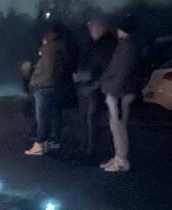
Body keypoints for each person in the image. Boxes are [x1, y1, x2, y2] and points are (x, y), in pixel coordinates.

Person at [100, 15, 141, 174]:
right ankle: (118, 157)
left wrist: (112, 92)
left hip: (119, 92)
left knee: (118, 126)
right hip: (120, 91)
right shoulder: (126, 45)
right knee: (116, 125)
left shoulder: (127, 47)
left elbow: (121, 72)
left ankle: (121, 160)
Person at [24, 23, 69, 156]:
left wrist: (36, 83)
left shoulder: (49, 48)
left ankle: (40, 144)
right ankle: (46, 142)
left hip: (44, 88)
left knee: (42, 117)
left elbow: (48, 72)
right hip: (53, 87)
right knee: (49, 116)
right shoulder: (59, 47)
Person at [79, 18, 117, 161]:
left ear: (100, 28)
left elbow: (106, 66)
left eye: (93, 27)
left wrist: (96, 82)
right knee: (88, 118)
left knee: (92, 118)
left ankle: (92, 149)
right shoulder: (95, 44)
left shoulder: (105, 44)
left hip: (96, 87)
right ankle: (87, 145)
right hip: (90, 84)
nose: (91, 30)